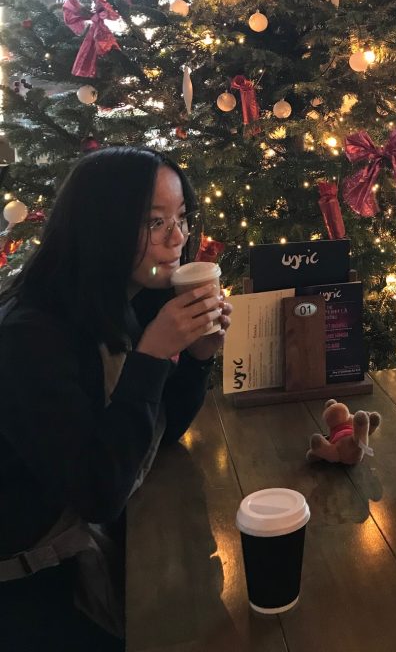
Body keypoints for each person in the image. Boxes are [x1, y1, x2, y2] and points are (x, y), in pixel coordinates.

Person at [0, 146, 232, 651]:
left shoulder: (129, 300)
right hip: (37, 584)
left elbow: (161, 434)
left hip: (97, 545)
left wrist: (195, 356)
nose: (178, 239)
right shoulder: (30, 336)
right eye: (155, 222)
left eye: (181, 218)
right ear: (102, 227)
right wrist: (151, 356)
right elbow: (97, 491)